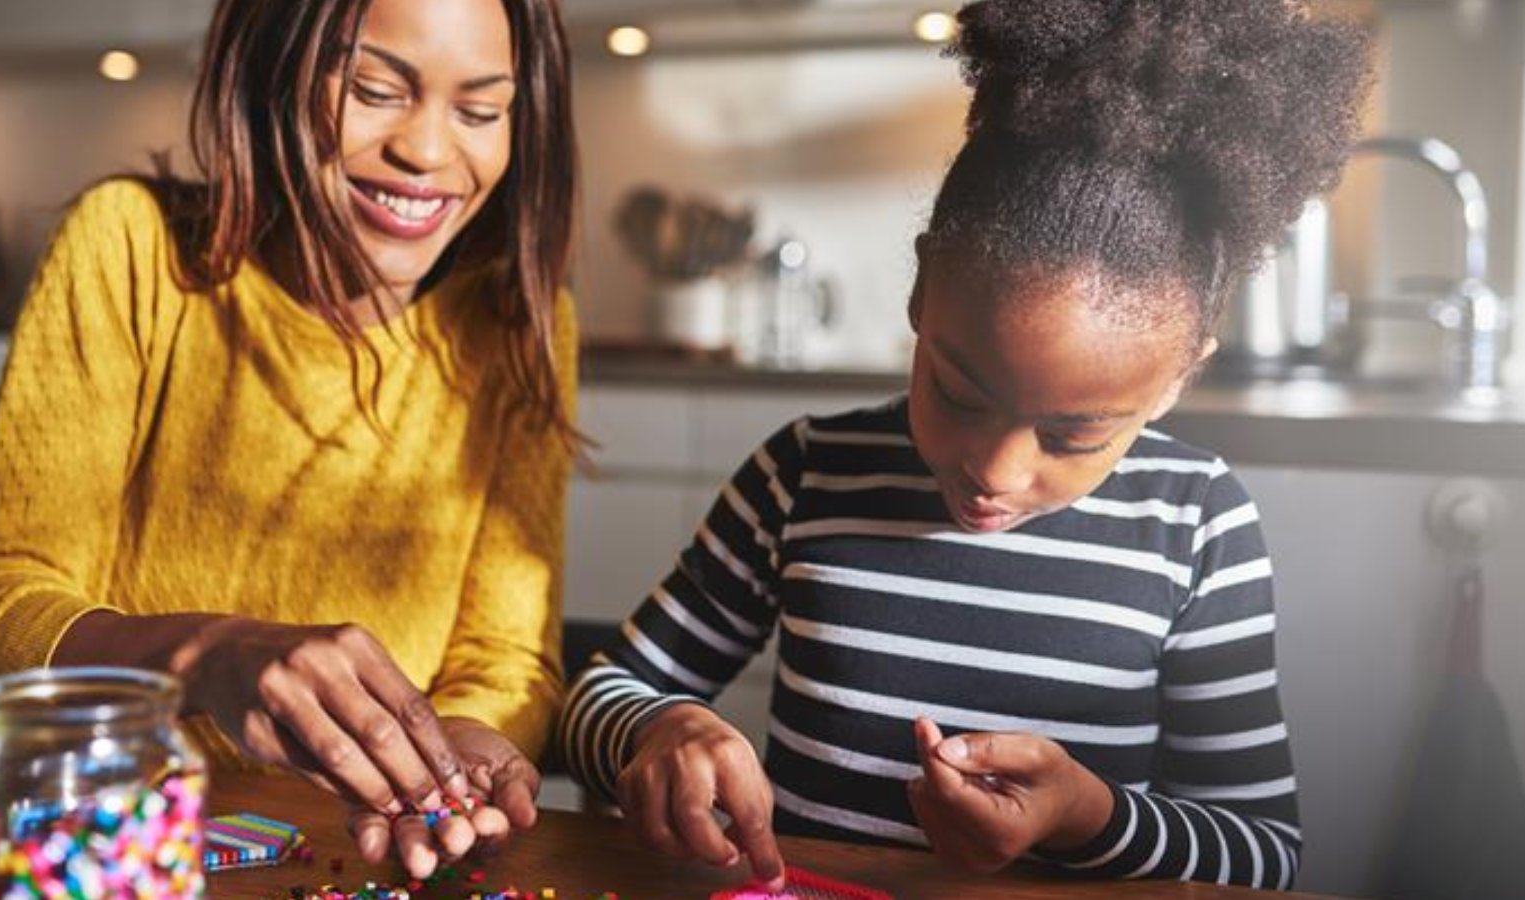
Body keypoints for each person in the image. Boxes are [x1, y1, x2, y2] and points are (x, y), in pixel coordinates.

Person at [558, 0, 1370, 890]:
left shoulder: (1195, 526)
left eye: (1072, 434)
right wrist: (661, 729)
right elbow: (598, 696)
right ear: (920, 297)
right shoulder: (804, 473)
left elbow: (1262, 856)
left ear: (1179, 378)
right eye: (956, 391)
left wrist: (1086, 816)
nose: (996, 469)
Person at [0, 0, 578, 878]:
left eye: (481, 111)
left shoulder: (518, 324)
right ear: (270, 70)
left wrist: (459, 740)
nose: (427, 151)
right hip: (104, 852)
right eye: (375, 90)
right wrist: (205, 655)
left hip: (360, 857)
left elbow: (506, 657)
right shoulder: (132, 247)